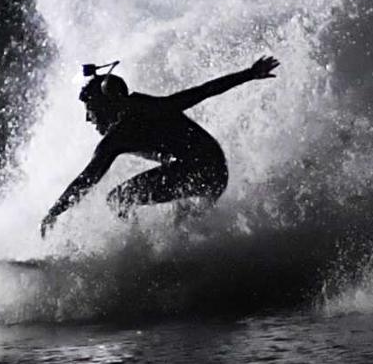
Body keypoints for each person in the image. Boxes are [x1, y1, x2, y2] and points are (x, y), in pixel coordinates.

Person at [40, 56, 280, 236]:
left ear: (107, 103)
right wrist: (248, 74)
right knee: (179, 228)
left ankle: (137, 253)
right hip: (216, 172)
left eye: (90, 110)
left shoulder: (135, 120)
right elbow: (87, 179)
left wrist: (54, 212)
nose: (88, 119)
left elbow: (202, 91)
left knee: (119, 199)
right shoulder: (137, 115)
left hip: (202, 168)